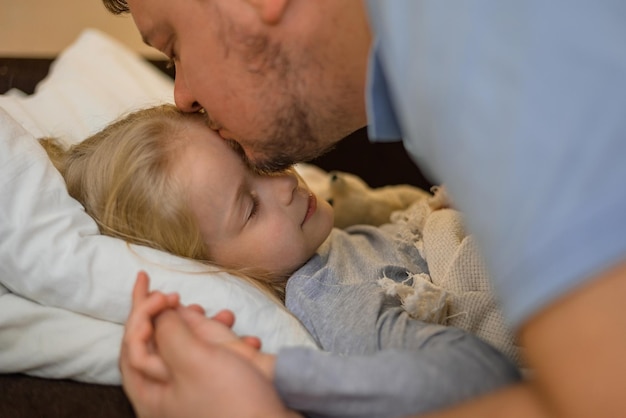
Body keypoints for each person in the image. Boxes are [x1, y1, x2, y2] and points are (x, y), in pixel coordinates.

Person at [101, 0, 626, 417]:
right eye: (247, 206)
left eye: (173, 47)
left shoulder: (476, 47)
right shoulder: (434, 80)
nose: (182, 95)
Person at [42, 103, 520, 417]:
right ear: (218, 270)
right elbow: (483, 377)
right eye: (249, 206)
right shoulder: (331, 300)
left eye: (253, 161)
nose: (283, 183)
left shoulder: (317, 235)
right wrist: (276, 375)